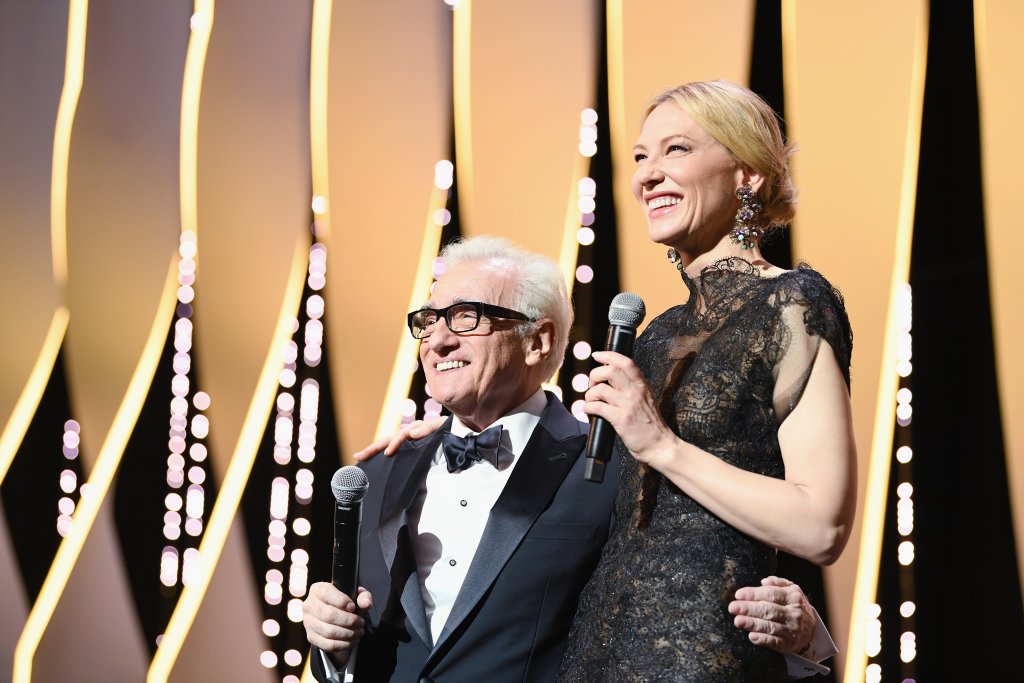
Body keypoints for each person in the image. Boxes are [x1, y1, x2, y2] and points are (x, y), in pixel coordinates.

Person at [302, 236, 835, 683]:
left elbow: (689, 599)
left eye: (465, 318)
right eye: (430, 319)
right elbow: (362, 647)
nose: (438, 339)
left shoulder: (613, 471)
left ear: (538, 341)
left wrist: (804, 633)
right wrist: (333, 648)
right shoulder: (373, 476)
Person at [556, 81, 857, 682]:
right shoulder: (657, 332)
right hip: (598, 653)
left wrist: (661, 446)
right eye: (641, 157)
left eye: (677, 150)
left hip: (704, 658)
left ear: (746, 174)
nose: (648, 175)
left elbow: (821, 524)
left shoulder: (792, 304)